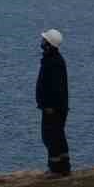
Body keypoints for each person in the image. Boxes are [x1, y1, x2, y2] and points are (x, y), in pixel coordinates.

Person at [36, 28, 71, 177]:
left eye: (44, 40)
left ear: (49, 44)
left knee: (51, 137)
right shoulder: (53, 59)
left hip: (53, 109)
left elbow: (55, 88)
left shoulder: (53, 61)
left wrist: (50, 106)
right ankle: (63, 167)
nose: (42, 42)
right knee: (57, 136)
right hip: (56, 107)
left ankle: (56, 169)